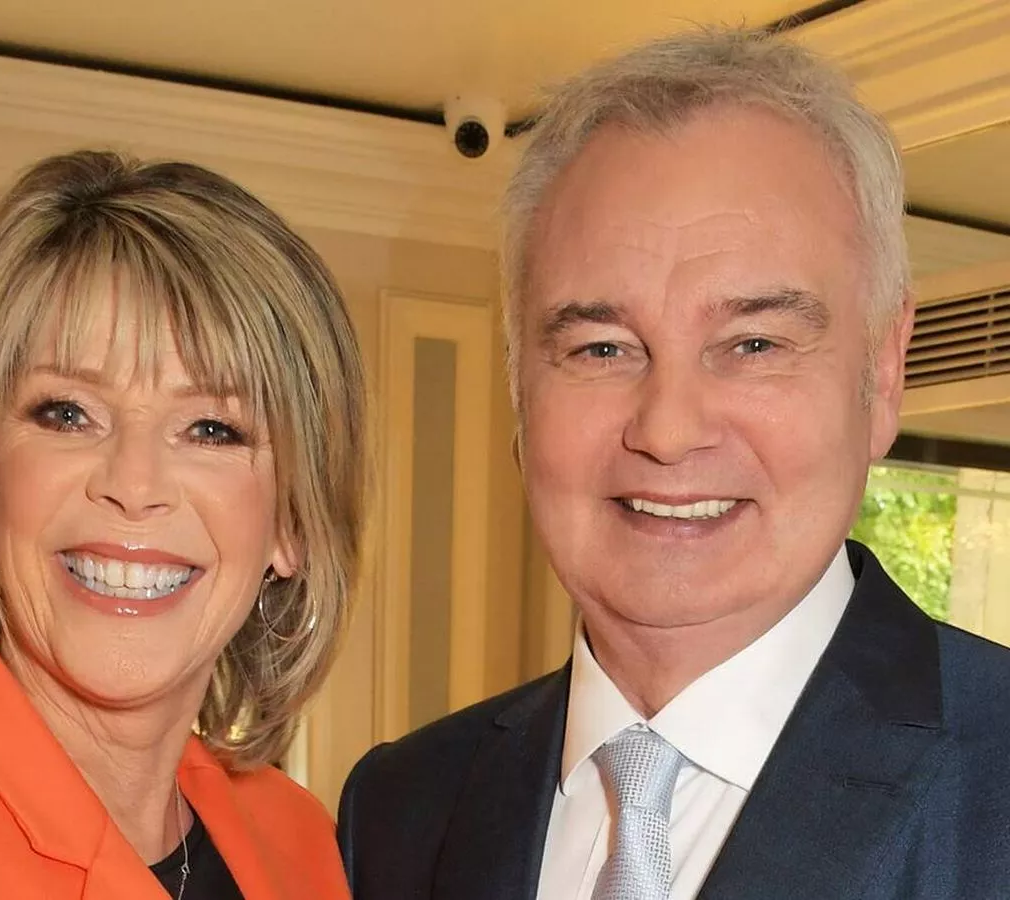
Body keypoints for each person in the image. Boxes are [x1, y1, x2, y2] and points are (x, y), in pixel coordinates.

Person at [338, 26, 1010, 900]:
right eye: (602, 348)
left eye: (754, 343)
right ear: (518, 387)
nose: (667, 429)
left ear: (882, 372)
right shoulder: (399, 810)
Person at [0, 150, 365, 899]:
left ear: (291, 523)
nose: (133, 486)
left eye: (211, 429)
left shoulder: (302, 844)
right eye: (67, 413)